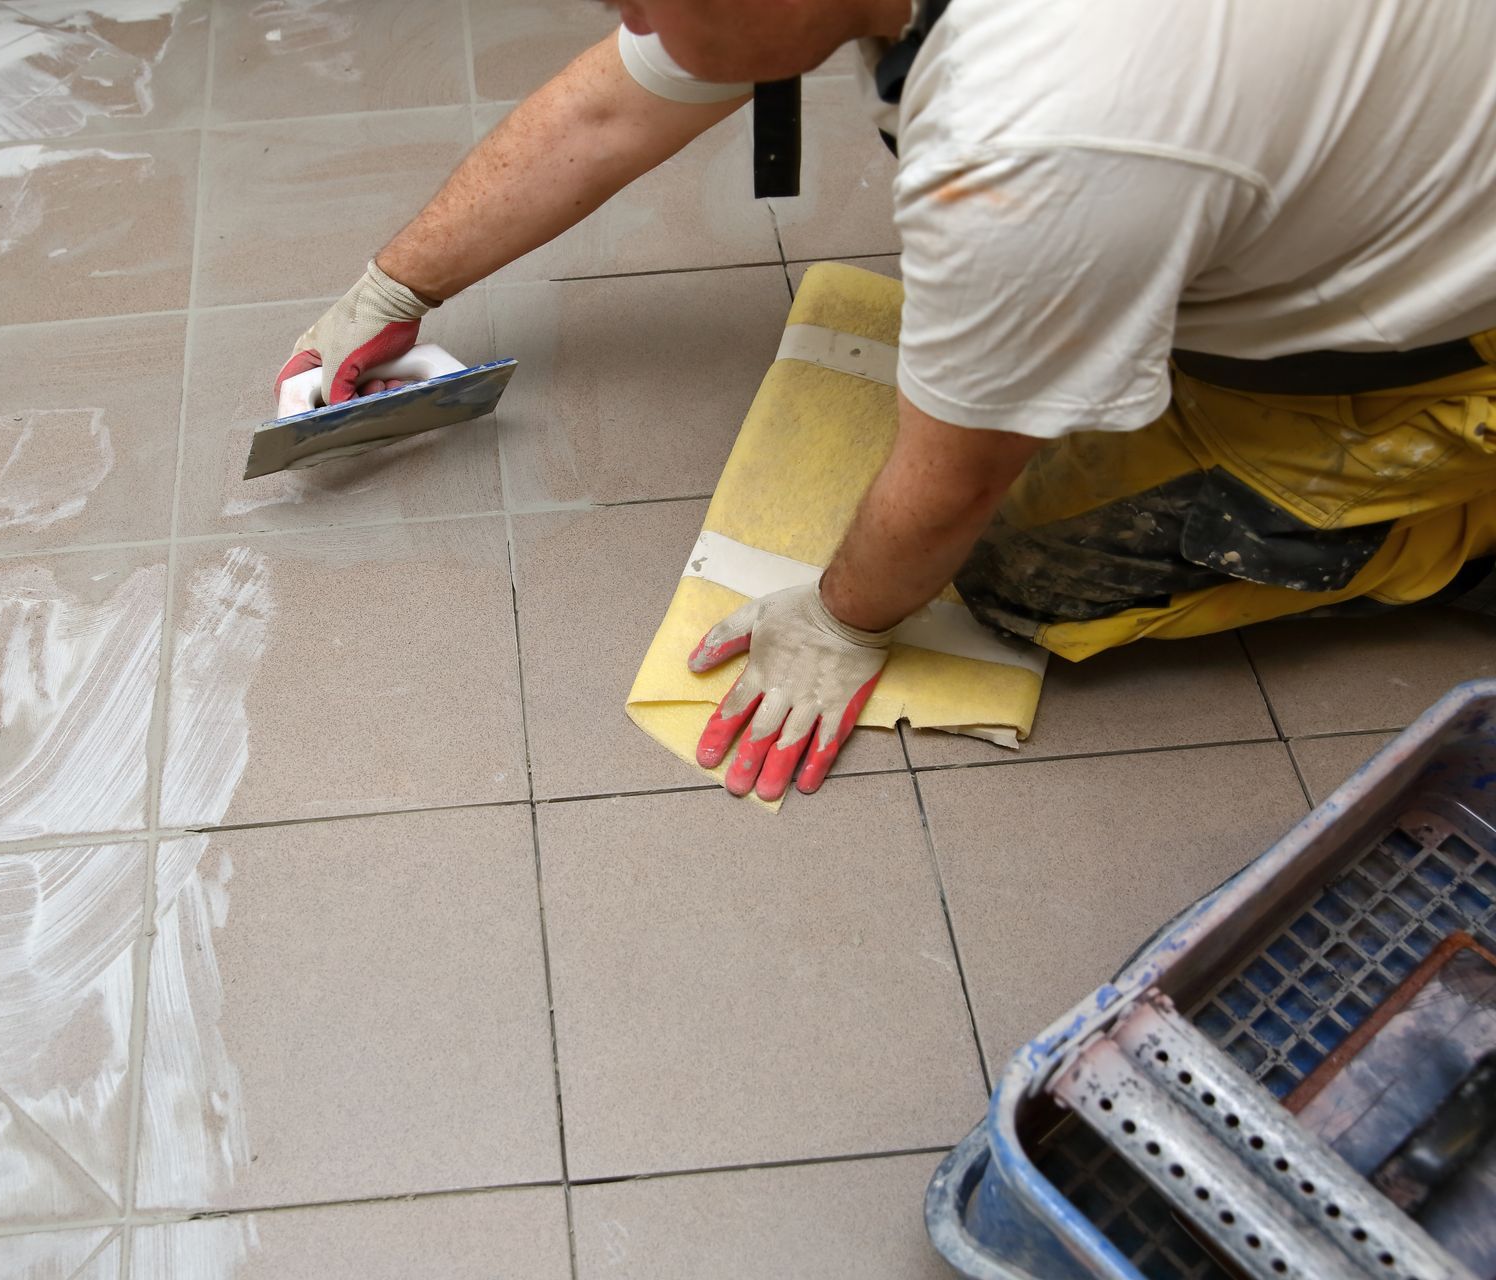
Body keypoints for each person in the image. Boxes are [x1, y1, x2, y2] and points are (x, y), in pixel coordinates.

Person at [274, 0, 1496, 801]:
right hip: (1380, 141)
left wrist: (846, 618)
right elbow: (614, 101)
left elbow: (962, 474)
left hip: (1449, 343)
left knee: (1022, 571)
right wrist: (394, 285)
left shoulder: (1034, 140)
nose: (624, 15)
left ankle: (1459, 531)